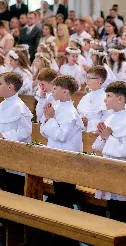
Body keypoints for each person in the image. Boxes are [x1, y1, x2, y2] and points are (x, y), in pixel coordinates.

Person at [91, 81, 126, 222]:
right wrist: (103, 137)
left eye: (108, 95)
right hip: (111, 172)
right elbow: (99, 147)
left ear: (120, 99)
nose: (105, 99)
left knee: (122, 213)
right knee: (113, 209)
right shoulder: (111, 118)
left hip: (123, 174)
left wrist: (108, 137)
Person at [0, 72, 33, 194]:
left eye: (1, 84)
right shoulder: (3, 104)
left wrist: (5, 136)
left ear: (10, 87)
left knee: (13, 190)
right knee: (1, 187)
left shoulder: (19, 106)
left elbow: (26, 130)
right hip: (3, 154)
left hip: (16, 157)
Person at [40, 75, 83, 208]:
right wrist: (47, 119)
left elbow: (61, 135)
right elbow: (44, 132)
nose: (52, 91)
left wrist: (50, 119)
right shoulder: (56, 106)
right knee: (58, 191)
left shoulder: (71, 113)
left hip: (67, 161)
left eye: (55, 88)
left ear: (65, 91)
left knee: (64, 197)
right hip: (56, 156)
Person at [77, 66, 110, 132]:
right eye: (86, 78)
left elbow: (108, 121)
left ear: (99, 81)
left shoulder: (105, 99)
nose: (86, 81)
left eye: (89, 78)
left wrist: (89, 123)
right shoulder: (86, 97)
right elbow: (79, 114)